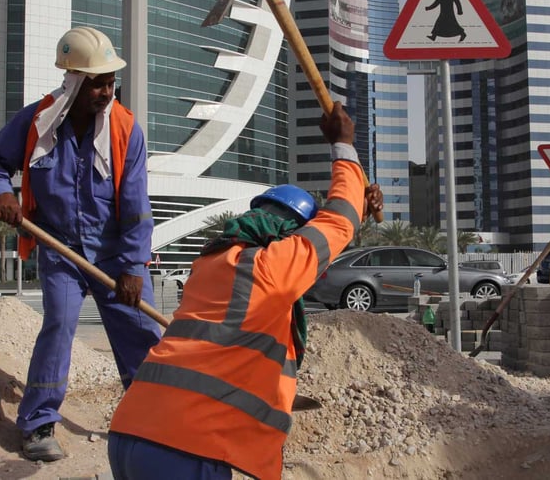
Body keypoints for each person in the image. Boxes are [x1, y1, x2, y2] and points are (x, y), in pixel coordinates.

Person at [106, 101, 382, 480]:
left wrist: (358, 211)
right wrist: (343, 147)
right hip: (185, 449)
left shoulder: (213, 264)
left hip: (130, 432)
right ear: (290, 234)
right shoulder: (272, 268)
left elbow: (321, 249)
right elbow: (335, 226)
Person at [0, 26, 161, 462]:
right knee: (58, 324)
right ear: (74, 81)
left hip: (116, 254)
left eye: (110, 81)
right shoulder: (37, 121)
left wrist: (133, 268)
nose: (105, 90)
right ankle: (38, 423)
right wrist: (2, 191)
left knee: (142, 334)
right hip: (60, 248)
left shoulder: (125, 130)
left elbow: (136, 208)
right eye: (97, 82)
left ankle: (154, 418)